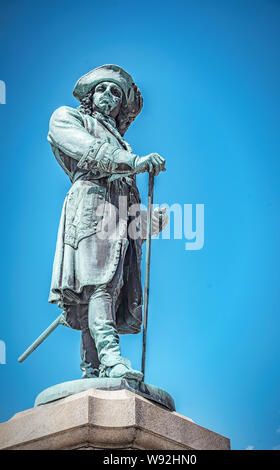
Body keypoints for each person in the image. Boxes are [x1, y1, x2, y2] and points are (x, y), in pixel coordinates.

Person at [48, 64, 167, 380]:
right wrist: (133, 163)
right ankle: (112, 359)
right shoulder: (69, 118)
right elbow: (87, 149)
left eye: (115, 92)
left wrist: (147, 221)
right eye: (102, 88)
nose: (108, 96)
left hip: (117, 215)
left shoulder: (124, 145)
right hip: (90, 205)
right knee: (100, 284)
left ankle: (93, 368)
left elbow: (128, 198)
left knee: (108, 292)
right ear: (90, 95)